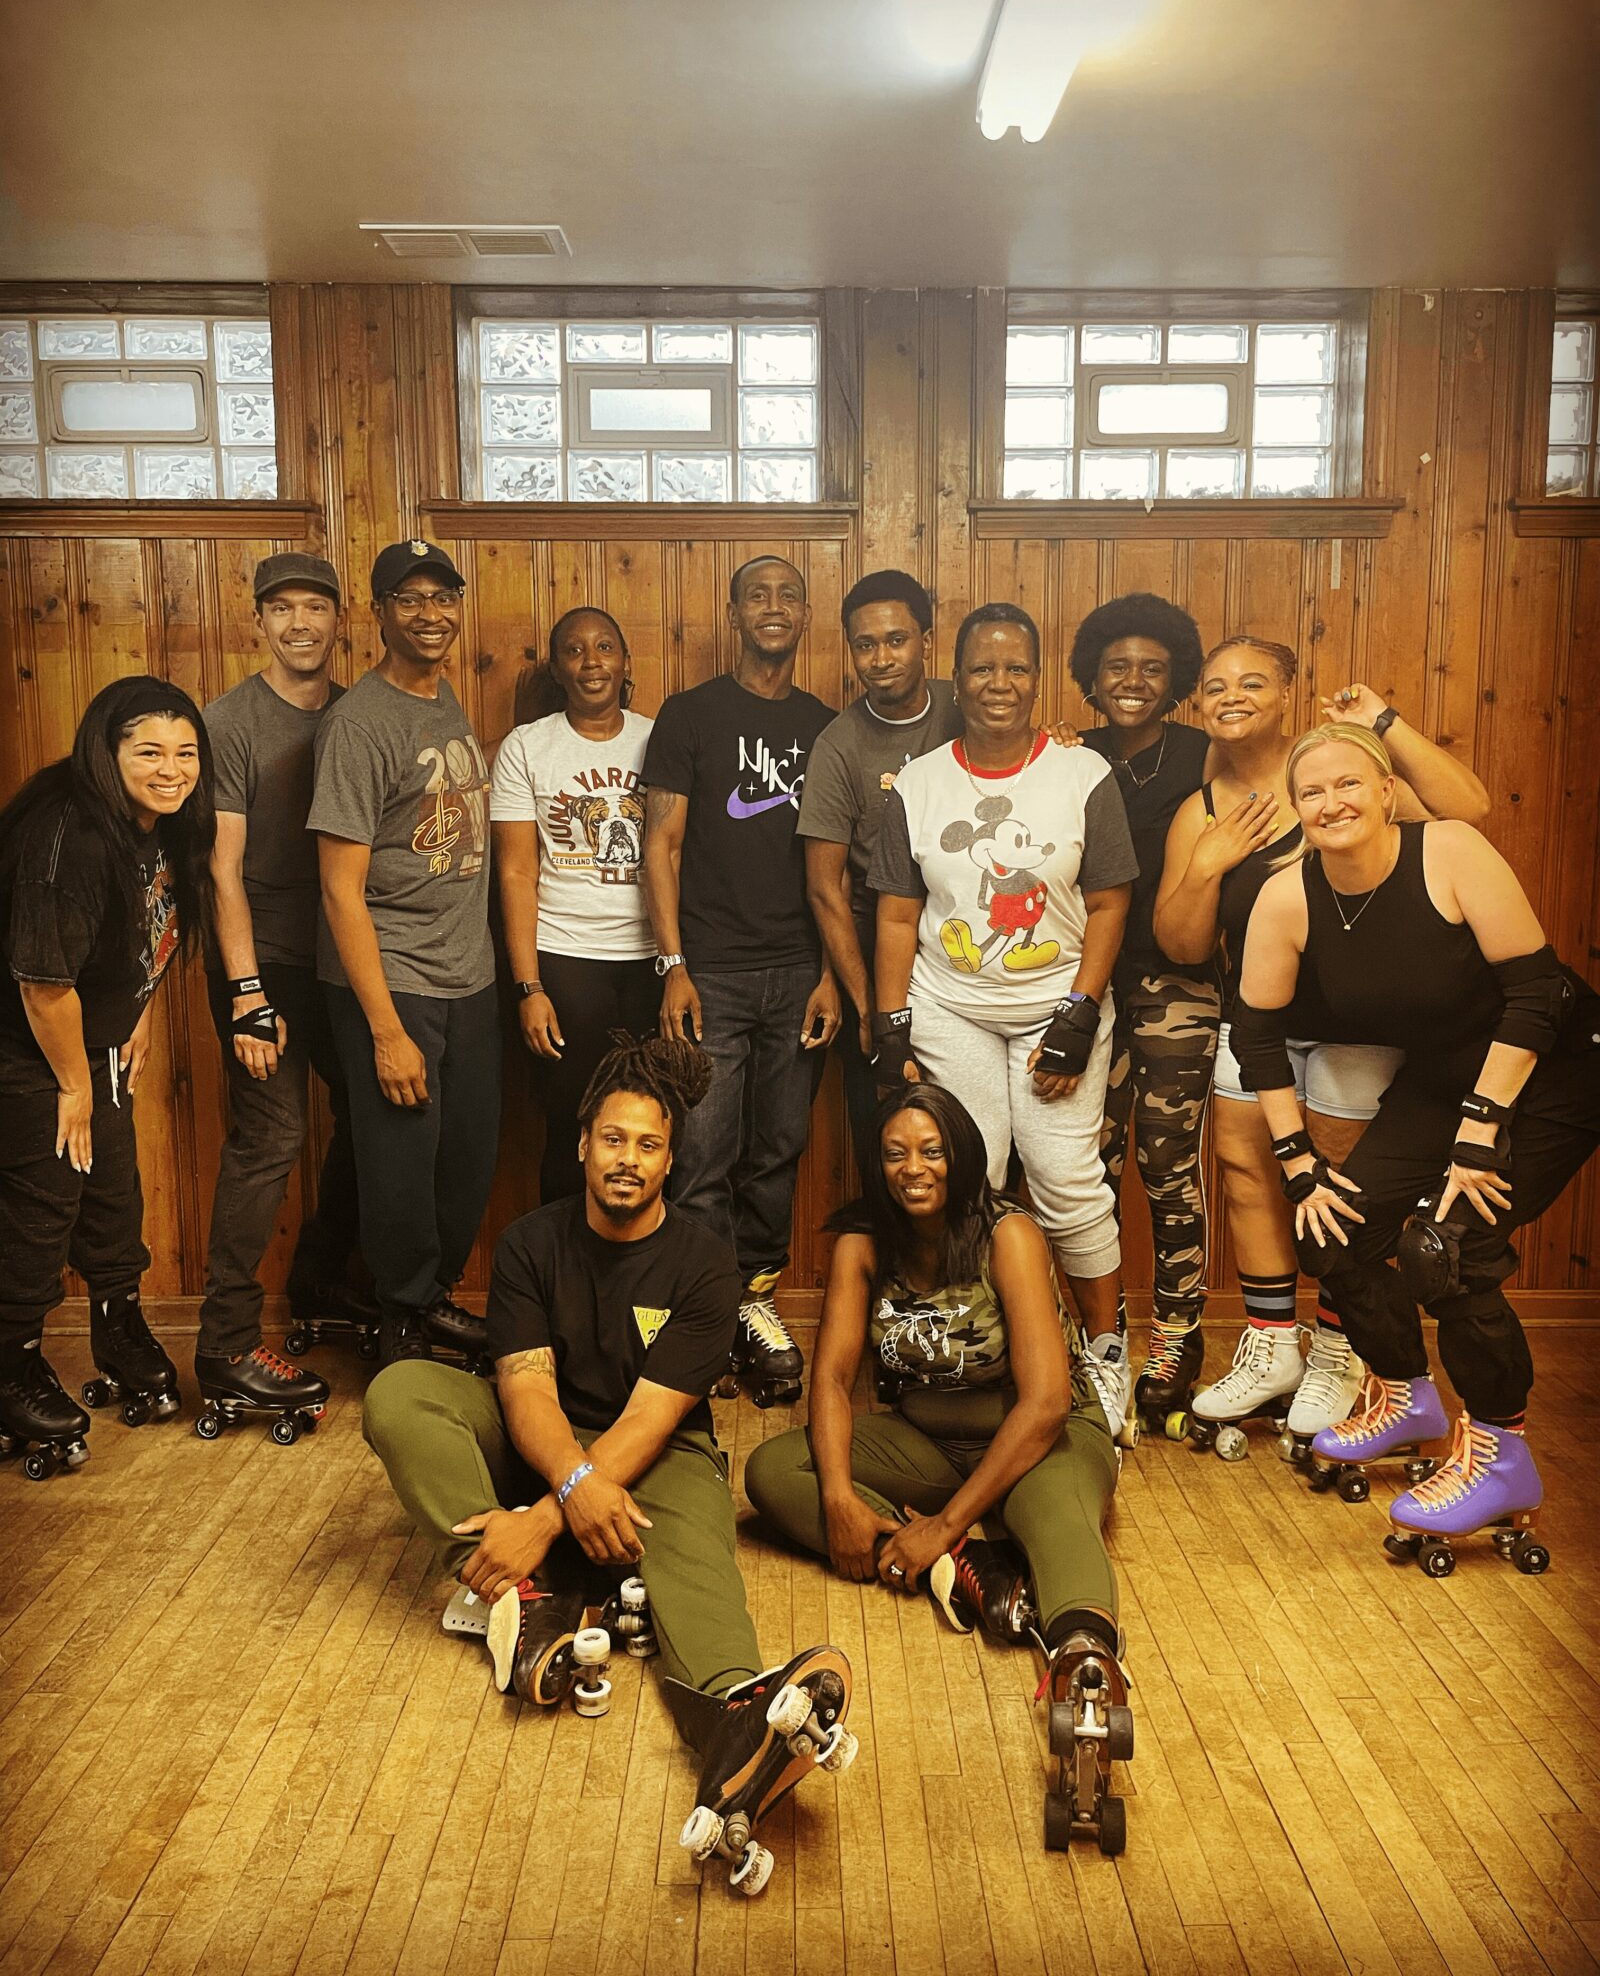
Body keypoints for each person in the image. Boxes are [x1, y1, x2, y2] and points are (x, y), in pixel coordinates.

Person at [361, 1034, 856, 1897]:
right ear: (583, 1144)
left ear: (671, 1160)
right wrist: (568, 1491)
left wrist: (551, 1515)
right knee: (401, 1392)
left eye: (649, 1144)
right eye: (614, 1139)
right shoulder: (529, 1243)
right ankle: (519, 1601)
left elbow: (650, 1417)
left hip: (657, 1451)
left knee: (694, 1563)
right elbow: (525, 1391)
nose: (629, 1159)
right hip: (544, 1442)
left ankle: (738, 1720)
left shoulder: (705, 1263)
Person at [1231, 723, 1599, 1562]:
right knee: (1332, 1227)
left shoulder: (1450, 852)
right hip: (1448, 1075)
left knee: (1450, 1249)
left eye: (1349, 783)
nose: (1332, 802)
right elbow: (1254, 1033)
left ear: (1388, 791)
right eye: (1312, 791)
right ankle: (1408, 1398)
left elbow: (1537, 994)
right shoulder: (1287, 897)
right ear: (1296, 809)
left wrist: (1480, 1131)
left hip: (1559, 1069)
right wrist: (1298, 1164)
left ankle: (1502, 1456)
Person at [743, 1083, 1129, 1851]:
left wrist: (943, 1523)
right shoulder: (861, 1244)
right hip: (927, 1441)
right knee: (774, 1473)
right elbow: (832, 1381)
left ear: (962, 1157)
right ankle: (971, 1566)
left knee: (1058, 1519)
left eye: (931, 1151)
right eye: (895, 1153)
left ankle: (1084, 1669)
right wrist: (839, 1496)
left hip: (1038, 1440)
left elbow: (1046, 1402)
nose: (913, 1169)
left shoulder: (1008, 1235)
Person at [1154, 647, 1489, 1447]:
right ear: (1199, 703)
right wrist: (1207, 866)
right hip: (1257, 1023)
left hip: (1360, 1026)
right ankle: (1273, 1344)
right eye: (1215, 687)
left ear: (1288, 694)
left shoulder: (1335, 777)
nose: (1233, 697)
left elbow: (1467, 808)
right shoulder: (1202, 808)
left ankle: (1342, 1346)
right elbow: (1182, 945)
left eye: (1252, 682)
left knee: (1343, 1184)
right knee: (1244, 1167)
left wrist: (1382, 723)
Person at [868, 602, 1140, 1442]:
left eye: (1016, 667)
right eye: (983, 668)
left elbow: (1109, 902)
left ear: (1038, 677)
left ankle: (1105, 1351)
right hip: (951, 1004)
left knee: (1065, 1181)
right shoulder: (919, 783)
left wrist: (1080, 1013)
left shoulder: (1082, 774)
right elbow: (895, 913)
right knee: (964, 1179)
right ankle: (971, 1348)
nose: (999, 683)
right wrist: (890, 1024)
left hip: (1058, 1004)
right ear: (958, 678)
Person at [0, 676, 213, 1474]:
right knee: (42, 1207)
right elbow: (42, 982)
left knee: (113, 1196)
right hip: (30, 1051)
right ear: (106, 751)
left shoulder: (159, 826)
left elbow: (140, 936)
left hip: (93, 1044)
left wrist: (136, 1013)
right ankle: (11, 1367)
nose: (172, 769)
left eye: (186, 752)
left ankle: (119, 1330)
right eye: (149, 751)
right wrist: (74, 1087)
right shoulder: (70, 834)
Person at [642, 555, 838, 1406]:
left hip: (799, 975)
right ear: (734, 614)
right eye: (757, 595)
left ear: (805, 615)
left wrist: (831, 975)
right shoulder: (690, 715)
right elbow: (661, 846)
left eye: (788, 595)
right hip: (712, 974)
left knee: (776, 1152)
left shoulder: (826, 726)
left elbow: (840, 867)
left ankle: (752, 1302)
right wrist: (673, 966)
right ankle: (702, 1316)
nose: (773, 607)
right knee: (700, 1157)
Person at [309, 540, 499, 1368]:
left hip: (468, 972)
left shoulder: (442, 695)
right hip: (393, 974)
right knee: (399, 1163)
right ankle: (399, 1324)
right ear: (379, 613)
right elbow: (338, 889)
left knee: (465, 1154)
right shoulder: (359, 724)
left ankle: (429, 1296)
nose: (430, 614)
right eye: (410, 599)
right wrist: (385, 1030)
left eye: (442, 598)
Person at [195, 553, 357, 1431]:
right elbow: (221, 871)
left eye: (315, 607)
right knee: (273, 1135)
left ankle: (324, 1285)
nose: (300, 624)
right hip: (264, 960)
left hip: (345, 957)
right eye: (282, 609)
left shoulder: (358, 712)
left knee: (383, 1109)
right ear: (259, 621)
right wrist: (247, 995)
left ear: (339, 620)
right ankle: (224, 1343)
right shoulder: (229, 722)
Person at [1072, 593, 1217, 1427]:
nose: (1133, 680)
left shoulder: (1204, 756)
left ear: (1177, 680)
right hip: (1083, 984)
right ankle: (1099, 1335)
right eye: (1117, 666)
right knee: (1086, 1163)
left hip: (1176, 986)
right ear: (1091, 678)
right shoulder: (1069, 755)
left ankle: (1178, 1333)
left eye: (1152, 668)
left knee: (1166, 1164)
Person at [492, 606, 658, 1204]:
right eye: (574, 650)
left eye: (605, 647)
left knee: (651, 1121)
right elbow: (516, 871)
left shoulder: (658, 738)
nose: (591, 662)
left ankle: (639, 1255)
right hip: (565, 957)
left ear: (626, 661)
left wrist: (679, 963)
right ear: (557, 668)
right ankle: (563, 1257)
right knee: (572, 1123)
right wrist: (529, 987)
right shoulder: (528, 747)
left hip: (650, 959)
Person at [799, 570, 962, 1168]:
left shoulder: (967, 704)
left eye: (896, 639)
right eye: (865, 645)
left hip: (967, 936)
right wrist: (870, 1010)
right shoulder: (838, 745)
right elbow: (825, 887)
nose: (881, 658)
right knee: (887, 1129)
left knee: (966, 1126)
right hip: (878, 944)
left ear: (926, 639)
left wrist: (1061, 737)